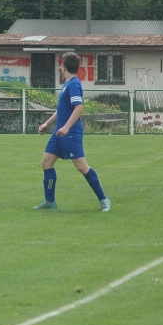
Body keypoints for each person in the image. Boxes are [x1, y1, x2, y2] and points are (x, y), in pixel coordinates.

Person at [35, 52, 111, 211]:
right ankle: (50, 202)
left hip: (70, 133)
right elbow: (61, 111)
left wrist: (67, 127)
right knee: (46, 162)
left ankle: (104, 200)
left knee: (82, 167)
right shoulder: (67, 85)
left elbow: (79, 107)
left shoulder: (74, 85)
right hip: (59, 132)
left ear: (63, 67)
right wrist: (47, 124)